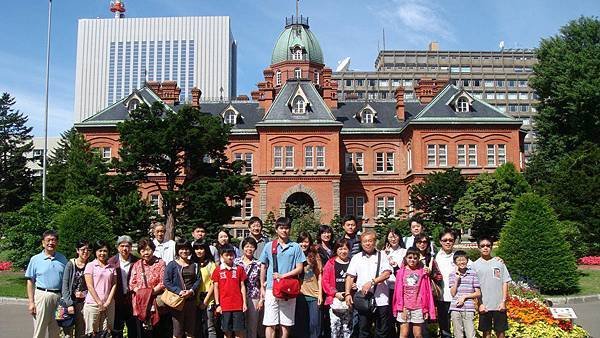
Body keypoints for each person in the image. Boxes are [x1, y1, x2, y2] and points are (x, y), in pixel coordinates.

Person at [259, 217, 306, 338]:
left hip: (289, 288)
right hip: (271, 288)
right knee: (270, 323)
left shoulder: (295, 247)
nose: (284, 230)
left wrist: (282, 276)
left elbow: (300, 268)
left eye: (287, 228)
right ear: (276, 230)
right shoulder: (269, 246)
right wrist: (262, 287)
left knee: (286, 323)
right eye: (281, 228)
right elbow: (263, 267)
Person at [344, 229, 392, 338]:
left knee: (381, 331)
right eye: (365, 241)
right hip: (364, 300)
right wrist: (347, 293)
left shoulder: (382, 255)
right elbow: (350, 276)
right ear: (361, 243)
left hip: (381, 300)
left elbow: (387, 274)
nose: (367, 243)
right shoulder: (356, 258)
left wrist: (372, 282)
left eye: (370, 241)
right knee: (363, 330)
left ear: (374, 242)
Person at [25, 230, 68, 338]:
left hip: (59, 299)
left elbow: (66, 281)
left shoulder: (62, 259)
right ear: (43, 243)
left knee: (56, 329)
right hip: (42, 296)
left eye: (53, 240)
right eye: (48, 240)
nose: (51, 243)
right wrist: (31, 302)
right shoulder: (35, 259)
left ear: (57, 242)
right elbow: (30, 281)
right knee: (40, 329)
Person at [392, 248, 437, 338]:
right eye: (410, 257)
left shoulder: (422, 272)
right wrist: (401, 307)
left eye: (415, 258)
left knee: (418, 334)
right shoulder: (401, 272)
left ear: (418, 259)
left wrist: (426, 309)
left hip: (418, 307)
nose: (412, 260)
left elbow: (426, 292)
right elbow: (398, 292)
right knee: (404, 334)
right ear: (405, 258)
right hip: (404, 307)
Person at [472, 237, 511, 338]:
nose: (485, 248)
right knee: (486, 332)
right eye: (482, 246)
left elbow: (505, 282)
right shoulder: (474, 265)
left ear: (491, 247)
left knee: (501, 332)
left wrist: (503, 301)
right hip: (484, 305)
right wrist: (479, 304)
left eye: (488, 246)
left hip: (499, 305)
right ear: (478, 248)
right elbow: (473, 286)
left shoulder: (499, 263)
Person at [129, 238, 167, 338]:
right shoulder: (137, 265)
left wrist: (149, 293)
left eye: (148, 249)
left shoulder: (160, 263)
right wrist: (143, 294)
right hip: (140, 303)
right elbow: (132, 284)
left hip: (156, 302)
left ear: (153, 250)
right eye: (143, 250)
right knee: (142, 332)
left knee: (158, 331)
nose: (146, 253)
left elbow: (163, 283)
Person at [165, 239, 201, 338]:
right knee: (177, 330)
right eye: (181, 249)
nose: (184, 251)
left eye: (186, 249)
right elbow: (167, 282)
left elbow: (198, 280)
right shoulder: (172, 264)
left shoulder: (194, 265)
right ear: (177, 250)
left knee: (190, 330)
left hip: (191, 300)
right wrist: (179, 291)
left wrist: (191, 291)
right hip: (177, 300)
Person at [83, 240, 118, 337]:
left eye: (105, 251)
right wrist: (99, 302)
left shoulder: (112, 266)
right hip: (93, 304)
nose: (102, 253)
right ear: (95, 252)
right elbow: (90, 285)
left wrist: (107, 302)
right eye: (100, 251)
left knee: (106, 332)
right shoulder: (90, 266)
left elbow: (114, 284)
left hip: (108, 305)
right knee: (91, 333)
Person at [212, 246, 248, 338]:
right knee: (227, 331)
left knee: (239, 331)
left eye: (231, 255)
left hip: (238, 305)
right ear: (221, 256)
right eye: (226, 255)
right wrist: (217, 304)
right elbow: (216, 288)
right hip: (224, 306)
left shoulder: (239, 269)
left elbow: (242, 286)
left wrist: (244, 303)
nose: (229, 257)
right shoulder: (218, 270)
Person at [108, 235, 139, 338]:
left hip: (132, 300)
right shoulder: (111, 262)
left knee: (133, 329)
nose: (125, 249)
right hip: (117, 300)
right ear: (118, 247)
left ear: (130, 247)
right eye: (122, 246)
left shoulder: (137, 261)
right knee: (117, 329)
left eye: (127, 246)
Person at [294, 232, 323, 338]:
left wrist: (320, 294)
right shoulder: (295, 255)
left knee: (314, 324)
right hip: (300, 295)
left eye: (306, 241)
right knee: (301, 325)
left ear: (309, 243)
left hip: (314, 295)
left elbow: (320, 276)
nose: (303, 244)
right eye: (301, 242)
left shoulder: (315, 256)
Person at [322, 238, 353, 338]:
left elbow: (357, 278)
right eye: (340, 249)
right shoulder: (330, 263)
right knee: (335, 329)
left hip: (349, 301)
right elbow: (325, 282)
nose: (343, 251)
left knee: (347, 329)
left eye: (345, 249)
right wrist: (335, 293)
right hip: (335, 301)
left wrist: (355, 285)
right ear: (336, 250)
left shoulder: (352, 263)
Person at [234, 237, 265, 338]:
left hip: (254, 296)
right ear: (243, 248)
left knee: (253, 325)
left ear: (255, 249)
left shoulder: (258, 264)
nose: (249, 249)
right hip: (238, 296)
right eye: (247, 246)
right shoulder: (236, 262)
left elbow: (261, 283)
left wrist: (261, 299)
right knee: (240, 325)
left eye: (251, 247)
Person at [61, 240, 90, 338]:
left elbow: (92, 285)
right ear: (77, 250)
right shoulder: (71, 264)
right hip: (70, 301)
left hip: (83, 302)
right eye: (83, 249)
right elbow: (64, 285)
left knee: (81, 330)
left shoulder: (90, 265)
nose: (85, 252)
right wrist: (69, 303)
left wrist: (85, 294)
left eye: (88, 249)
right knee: (68, 331)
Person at [434, 228, 460, 338]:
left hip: (457, 298)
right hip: (441, 298)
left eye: (451, 240)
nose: (448, 242)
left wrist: (494, 259)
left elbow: (475, 268)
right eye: (445, 240)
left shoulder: (459, 256)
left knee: (459, 328)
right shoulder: (435, 257)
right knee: (445, 329)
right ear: (440, 241)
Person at [449, 250, 481, 338]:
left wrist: (464, 296)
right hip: (455, 308)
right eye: (459, 260)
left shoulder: (473, 274)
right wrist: (456, 279)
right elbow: (452, 293)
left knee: (470, 334)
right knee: (458, 334)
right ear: (455, 262)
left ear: (467, 260)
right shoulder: (452, 275)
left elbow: (478, 293)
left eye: (463, 260)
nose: (461, 262)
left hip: (469, 308)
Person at [193, 241, 220, 338]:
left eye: (201, 248)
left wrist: (205, 301)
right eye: (196, 249)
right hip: (193, 299)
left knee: (210, 327)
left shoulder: (211, 264)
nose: (199, 251)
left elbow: (214, 283)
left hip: (208, 299)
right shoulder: (192, 264)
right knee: (196, 327)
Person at [383, 227, 406, 337]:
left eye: (395, 236)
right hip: (386, 289)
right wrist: (385, 254)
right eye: (391, 236)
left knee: (400, 317)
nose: (393, 239)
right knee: (389, 318)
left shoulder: (404, 252)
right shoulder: (383, 252)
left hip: (400, 289)